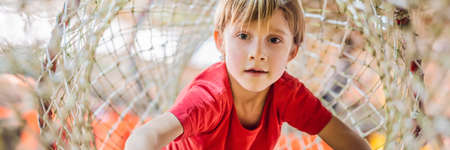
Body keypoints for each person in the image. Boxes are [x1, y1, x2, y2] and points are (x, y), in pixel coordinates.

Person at [125, 0, 371, 149]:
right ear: (220, 42)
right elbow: (146, 136)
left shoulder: (287, 94)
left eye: (274, 40)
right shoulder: (210, 97)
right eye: (244, 36)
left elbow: (349, 140)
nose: (258, 53)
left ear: (292, 53)